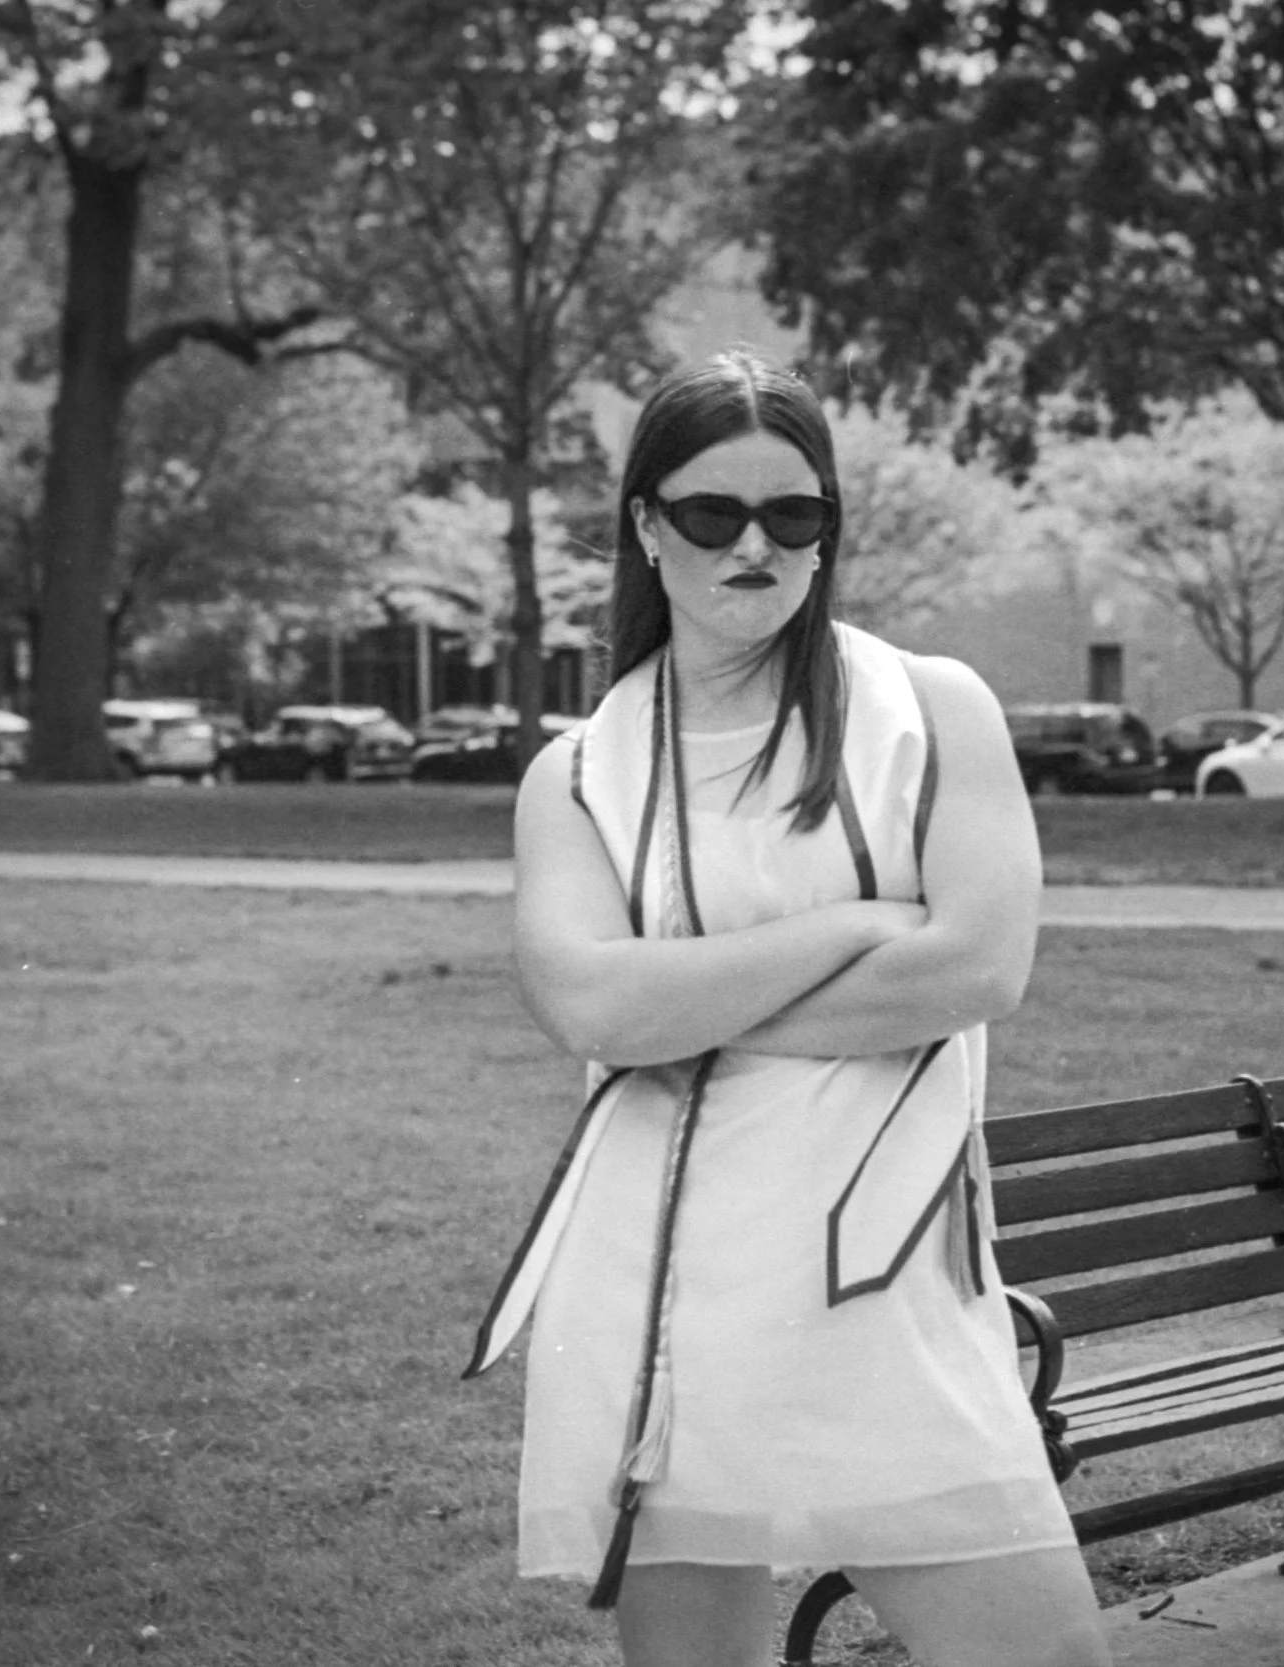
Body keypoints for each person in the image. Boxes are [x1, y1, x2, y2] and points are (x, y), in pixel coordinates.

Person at [465, 349, 1111, 1667]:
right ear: (647, 526)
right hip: (665, 1281)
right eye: (713, 513)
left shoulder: (932, 709)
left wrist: (684, 1013)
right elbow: (591, 1001)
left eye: (795, 514)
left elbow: (979, 971)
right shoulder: (581, 772)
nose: (755, 545)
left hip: (886, 1276)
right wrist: (856, 929)